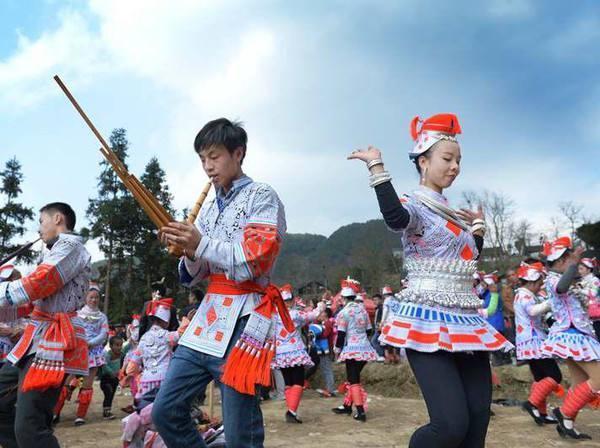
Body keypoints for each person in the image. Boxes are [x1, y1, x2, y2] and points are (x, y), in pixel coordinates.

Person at [348, 113, 512, 447]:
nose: (455, 167)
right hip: (427, 321)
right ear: (423, 161)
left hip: (467, 321)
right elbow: (396, 218)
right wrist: (377, 167)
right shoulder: (416, 205)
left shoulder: (454, 215)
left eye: (459, 161)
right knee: (451, 425)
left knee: (477, 421)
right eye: (447, 158)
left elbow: (468, 257)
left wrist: (478, 228)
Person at [153, 118, 287, 448]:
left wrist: (199, 244)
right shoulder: (208, 208)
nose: (208, 167)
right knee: (164, 410)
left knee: (240, 432)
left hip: (245, 316)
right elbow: (195, 275)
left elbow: (257, 257)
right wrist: (187, 249)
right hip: (208, 316)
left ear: (238, 153)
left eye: (214, 156)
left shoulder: (262, 194)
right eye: (202, 159)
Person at [0, 202, 91, 448]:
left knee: (30, 426)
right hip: (35, 339)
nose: (39, 229)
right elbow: (34, 299)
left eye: (41, 221)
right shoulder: (55, 251)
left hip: (52, 341)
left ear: (58, 219)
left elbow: (38, 283)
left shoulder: (70, 246)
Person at [541, 237, 600, 440]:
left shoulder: (562, 277)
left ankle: (566, 423)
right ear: (560, 261)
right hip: (572, 335)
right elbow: (561, 288)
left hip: (577, 334)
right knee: (598, 379)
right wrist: (574, 265)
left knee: (579, 383)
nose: (573, 264)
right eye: (568, 259)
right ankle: (565, 413)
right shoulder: (553, 279)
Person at [513, 261, 562, 425]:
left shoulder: (523, 294)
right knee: (555, 376)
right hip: (535, 341)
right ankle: (532, 403)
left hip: (528, 341)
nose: (540, 285)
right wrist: (551, 303)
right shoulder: (524, 295)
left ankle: (541, 413)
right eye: (539, 283)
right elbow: (533, 311)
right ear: (532, 282)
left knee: (541, 378)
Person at [54, 282, 109, 425]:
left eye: (96, 297)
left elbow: (104, 334)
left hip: (93, 351)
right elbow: (71, 329)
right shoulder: (77, 314)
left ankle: (80, 416)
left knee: (88, 383)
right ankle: (55, 412)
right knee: (67, 381)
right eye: (91, 297)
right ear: (86, 298)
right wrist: (80, 343)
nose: (94, 300)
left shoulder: (102, 317)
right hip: (77, 350)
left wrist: (90, 343)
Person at [271, 284, 322, 423]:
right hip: (295, 351)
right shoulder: (294, 313)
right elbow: (313, 315)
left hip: (280, 353)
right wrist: (321, 305)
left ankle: (291, 410)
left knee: (288, 383)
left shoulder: (273, 315)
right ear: (291, 300)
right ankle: (291, 411)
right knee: (298, 382)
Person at [331, 277, 377, 422]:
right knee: (352, 378)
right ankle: (347, 405)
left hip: (352, 348)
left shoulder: (343, 313)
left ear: (344, 299)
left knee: (354, 380)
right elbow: (370, 330)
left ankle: (360, 411)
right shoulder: (363, 310)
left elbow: (341, 334)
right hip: (365, 349)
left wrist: (337, 349)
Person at [99, 335, 124, 420]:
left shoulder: (121, 354)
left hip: (114, 379)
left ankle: (108, 410)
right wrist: (111, 372)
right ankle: (106, 412)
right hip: (106, 379)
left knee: (111, 394)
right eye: (117, 345)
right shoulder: (107, 354)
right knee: (108, 393)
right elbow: (104, 365)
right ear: (110, 346)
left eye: (120, 345)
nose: (119, 347)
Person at [577, 258, 600, 340]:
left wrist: (580, 291)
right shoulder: (581, 281)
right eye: (579, 269)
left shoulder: (595, 280)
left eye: (581, 269)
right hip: (586, 312)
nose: (579, 271)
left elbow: (593, 293)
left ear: (589, 269)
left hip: (595, 312)